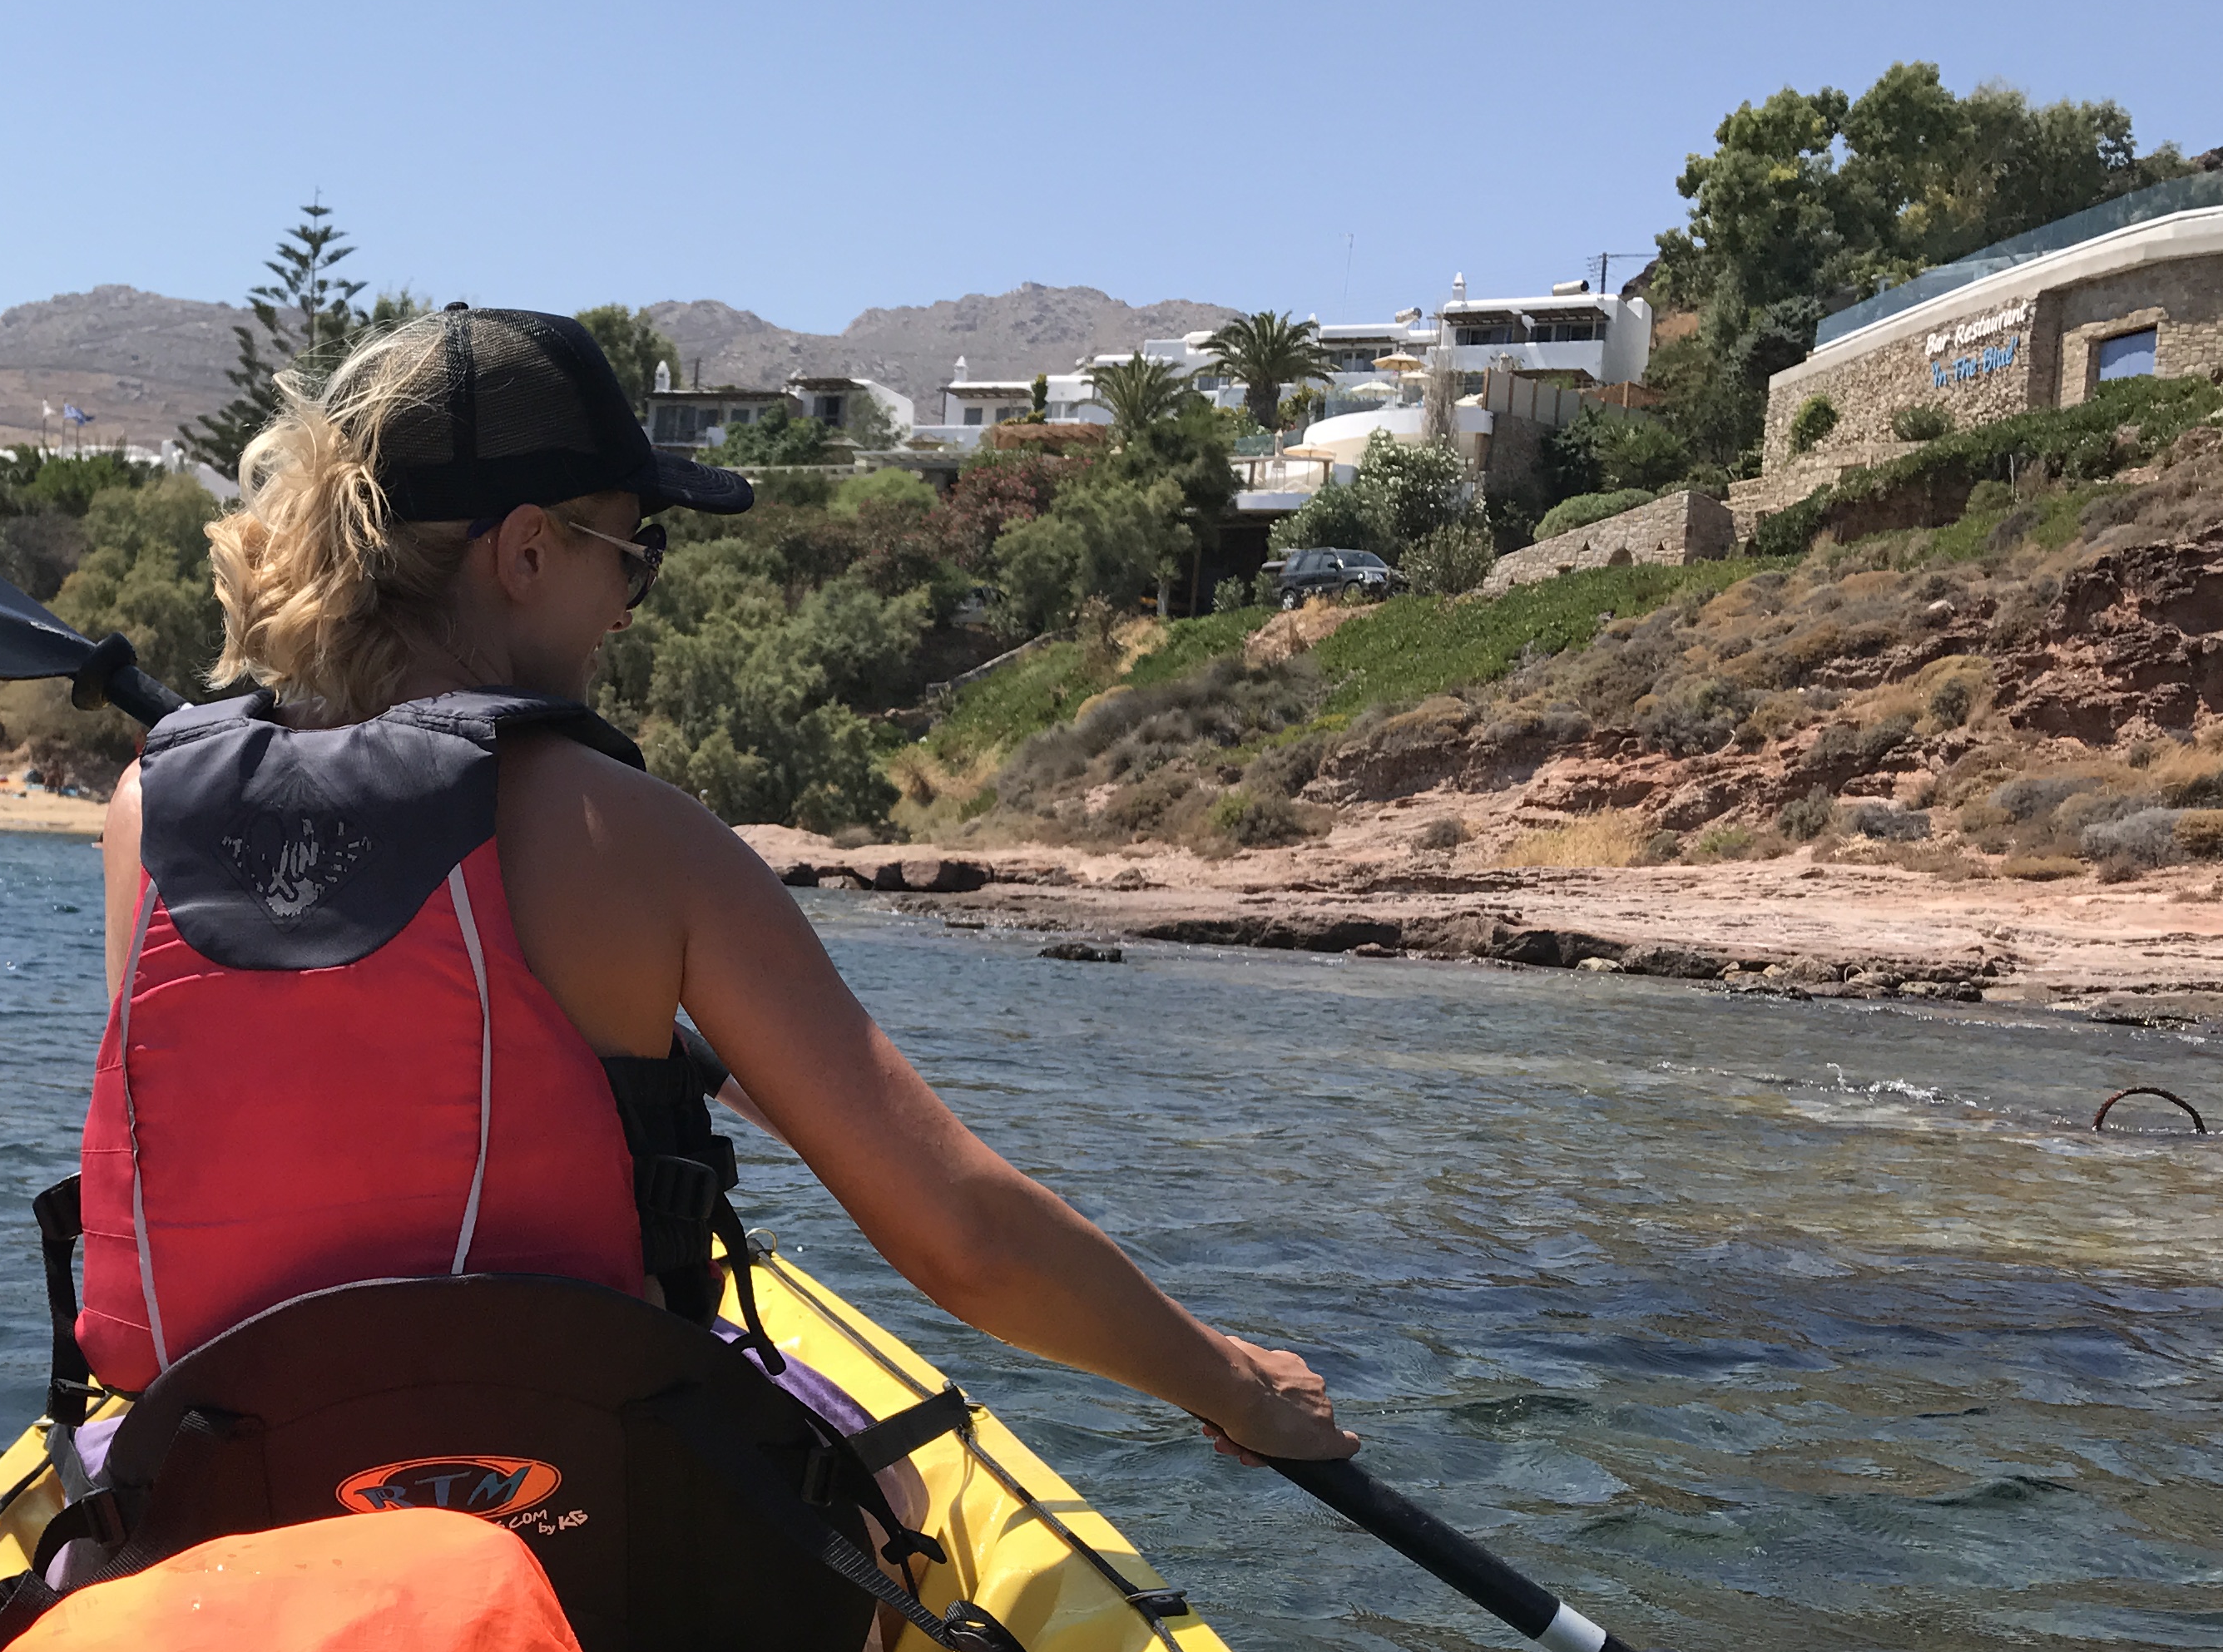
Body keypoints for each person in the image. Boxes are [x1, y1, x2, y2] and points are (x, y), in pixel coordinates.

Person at [81, 308, 1350, 1467]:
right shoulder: (629, 834)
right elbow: (963, 1237)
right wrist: (1233, 1383)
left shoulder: (150, 812)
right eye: (629, 555)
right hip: (564, 1521)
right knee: (900, 1492)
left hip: (208, 1489)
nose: (627, 609)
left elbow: (330, 1067)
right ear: (525, 551)